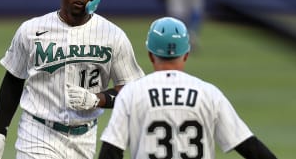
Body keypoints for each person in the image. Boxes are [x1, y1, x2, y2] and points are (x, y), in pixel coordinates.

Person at [0, 0, 144, 159]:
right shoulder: (31, 30)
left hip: (84, 138)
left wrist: (98, 99)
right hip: (37, 133)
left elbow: (131, 90)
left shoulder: (113, 36)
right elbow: (13, 81)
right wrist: (0, 131)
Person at [98, 17, 277, 159]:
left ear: (151, 55)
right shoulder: (209, 93)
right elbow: (250, 147)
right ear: (186, 55)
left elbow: (110, 151)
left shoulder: (131, 93)